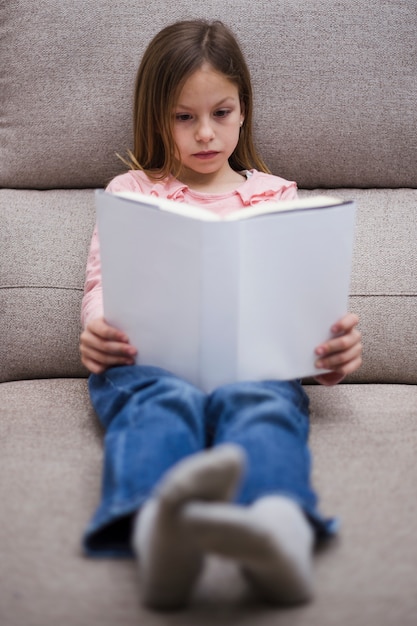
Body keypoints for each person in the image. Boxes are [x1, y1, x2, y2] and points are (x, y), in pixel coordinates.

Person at [80, 19, 362, 610]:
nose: (206, 134)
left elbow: (297, 307)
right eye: (185, 117)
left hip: (250, 363)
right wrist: (97, 331)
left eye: (222, 113)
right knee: (163, 401)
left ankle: (277, 526)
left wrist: (325, 352)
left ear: (243, 110)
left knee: (263, 398)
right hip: (148, 362)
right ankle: (159, 528)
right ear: (157, 115)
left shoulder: (277, 196)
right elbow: (103, 284)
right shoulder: (132, 190)